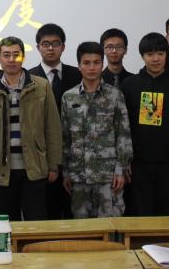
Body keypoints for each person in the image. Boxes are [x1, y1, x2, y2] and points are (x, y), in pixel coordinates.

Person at [0, 36, 62, 221]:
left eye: (16, 54)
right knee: (6, 224)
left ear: (23, 57)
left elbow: (52, 128)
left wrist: (54, 165)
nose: (11, 59)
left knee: (36, 222)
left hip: (34, 167)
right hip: (1, 170)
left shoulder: (41, 86)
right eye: (6, 55)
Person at [122, 33, 169, 216]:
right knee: (140, 213)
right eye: (150, 54)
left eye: (160, 54)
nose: (155, 59)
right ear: (142, 56)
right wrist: (125, 160)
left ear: (166, 54)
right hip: (138, 164)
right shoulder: (129, 85)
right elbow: (123, 127)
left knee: (167, 213)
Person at [61, 42, 132, 218]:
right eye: (86, 63)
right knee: (82, 228)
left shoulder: (115, 95)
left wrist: (120, 170)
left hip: (108, 176)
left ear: (102, 64)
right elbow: (65, 137)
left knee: (110, 226)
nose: (92, 67)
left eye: (96, 62)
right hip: (79, 176)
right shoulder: (69, 97)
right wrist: (66, 172)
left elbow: (123, 135)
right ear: (79, 65)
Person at [28, 23, 80, 219]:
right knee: (47, 212)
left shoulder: (78, 75)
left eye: (55, 44)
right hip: (42, 156)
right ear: (38, 47)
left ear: (63, 47)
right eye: (45, 44)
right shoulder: (28, 78)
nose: (50, 48)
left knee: (73, 213)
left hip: (75, 154)